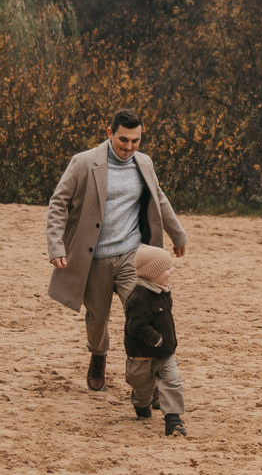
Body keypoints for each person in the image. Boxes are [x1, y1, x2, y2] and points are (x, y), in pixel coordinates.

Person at [45, 110, 189, 407]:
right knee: (97, 320)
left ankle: (150, 383)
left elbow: (159, 198)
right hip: (95, 258)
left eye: (136, 140)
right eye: (123, 139)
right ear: (109, 133)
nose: (129, 146)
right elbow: (58, 203)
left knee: (144, 315)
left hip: (132, 255)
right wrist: (56, 246)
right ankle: (98, 355)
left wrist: (178, 234)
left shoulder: (144, 163)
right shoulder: (84, 162)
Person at [123, 245, 187, 436]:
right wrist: (156, 339)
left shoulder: (164, 291)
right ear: (152, 274)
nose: (171, 271)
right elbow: (137, 326)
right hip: (142, 357)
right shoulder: (138, 297)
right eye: (167, 269)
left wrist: (166, 342)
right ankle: (141, 403)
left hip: (164, 353)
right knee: (143, 389)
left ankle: (173, 420)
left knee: (173, 382)